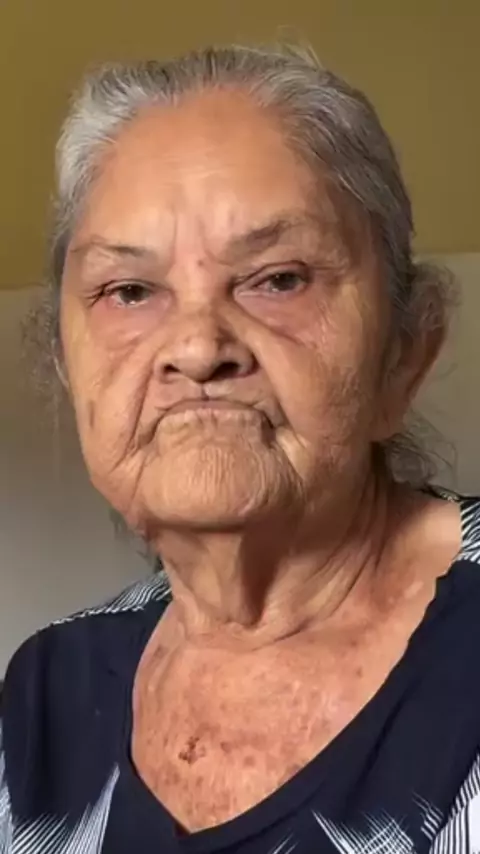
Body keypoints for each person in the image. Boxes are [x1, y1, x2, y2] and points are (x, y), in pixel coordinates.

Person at [0, 44, 477, 854]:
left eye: (278, 279)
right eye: (129, 291)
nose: (197, 347)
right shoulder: (47, 690)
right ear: (66, 367)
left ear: (406, 350)